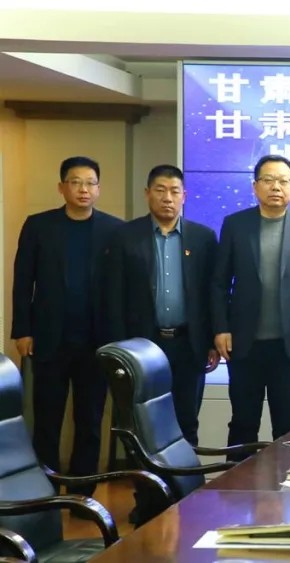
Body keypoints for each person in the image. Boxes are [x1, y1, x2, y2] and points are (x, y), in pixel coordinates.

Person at [11, 156, 123, 495]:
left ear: (98, 189)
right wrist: (22, 329)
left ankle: (82, 491)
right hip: (49, 338)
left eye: (90, 183)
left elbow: (120, 287)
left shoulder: (114, 230)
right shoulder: (39, 226)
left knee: (90, 420)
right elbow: (22, 281)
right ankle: (43, 490)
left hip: (96, 341)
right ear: (62, 187)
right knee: (46, 419)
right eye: (76, 182)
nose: (83, 189)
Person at [211, 155, 290, 454]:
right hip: (244, 344)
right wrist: (221, 328)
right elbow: (219, 283)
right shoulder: (235, 224)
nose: (276, 187)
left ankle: (284, 479)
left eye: (283, 181)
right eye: (268, 180)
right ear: (255, 186)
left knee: (287, 423)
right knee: (243, 421)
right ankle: (237, 479)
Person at [103, 164, 219, 446]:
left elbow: (212, 294)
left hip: (188, 344)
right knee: (143, 424)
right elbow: (113, 295)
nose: (168, 198)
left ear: (184, 196)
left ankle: (185, 475)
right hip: (142, 344)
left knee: (186, 421)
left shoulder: (203, 238)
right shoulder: (124, 237)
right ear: (147, 194)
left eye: (175, 191)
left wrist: (212, 341)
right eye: (160, 190)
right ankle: (146, 476)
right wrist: (119, 347)